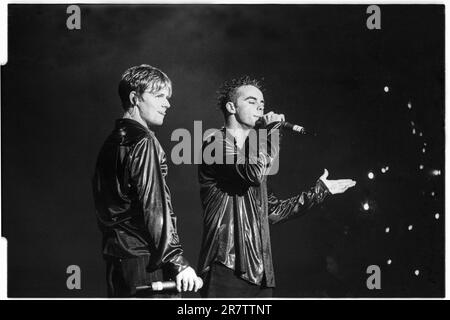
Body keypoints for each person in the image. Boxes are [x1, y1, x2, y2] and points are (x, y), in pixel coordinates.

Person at [197, 76, 356, 297]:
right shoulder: (214, 143)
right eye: (252, 102)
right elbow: (252, 173)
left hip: (260, 272)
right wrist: (267, 132)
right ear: (231, 107)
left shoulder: (254, 155)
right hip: (226, 264)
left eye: (262, 104)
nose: (260, 108)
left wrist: (320, 191)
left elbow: (272, 212)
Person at [92, 64, 202, 297]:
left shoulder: (111, 143)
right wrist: (178, 262)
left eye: (168, 97)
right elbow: (154, 207)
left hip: (117, 260)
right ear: (135, 98)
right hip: (146, 260)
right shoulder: (143, 141)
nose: (167, 104)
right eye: (159, 96)